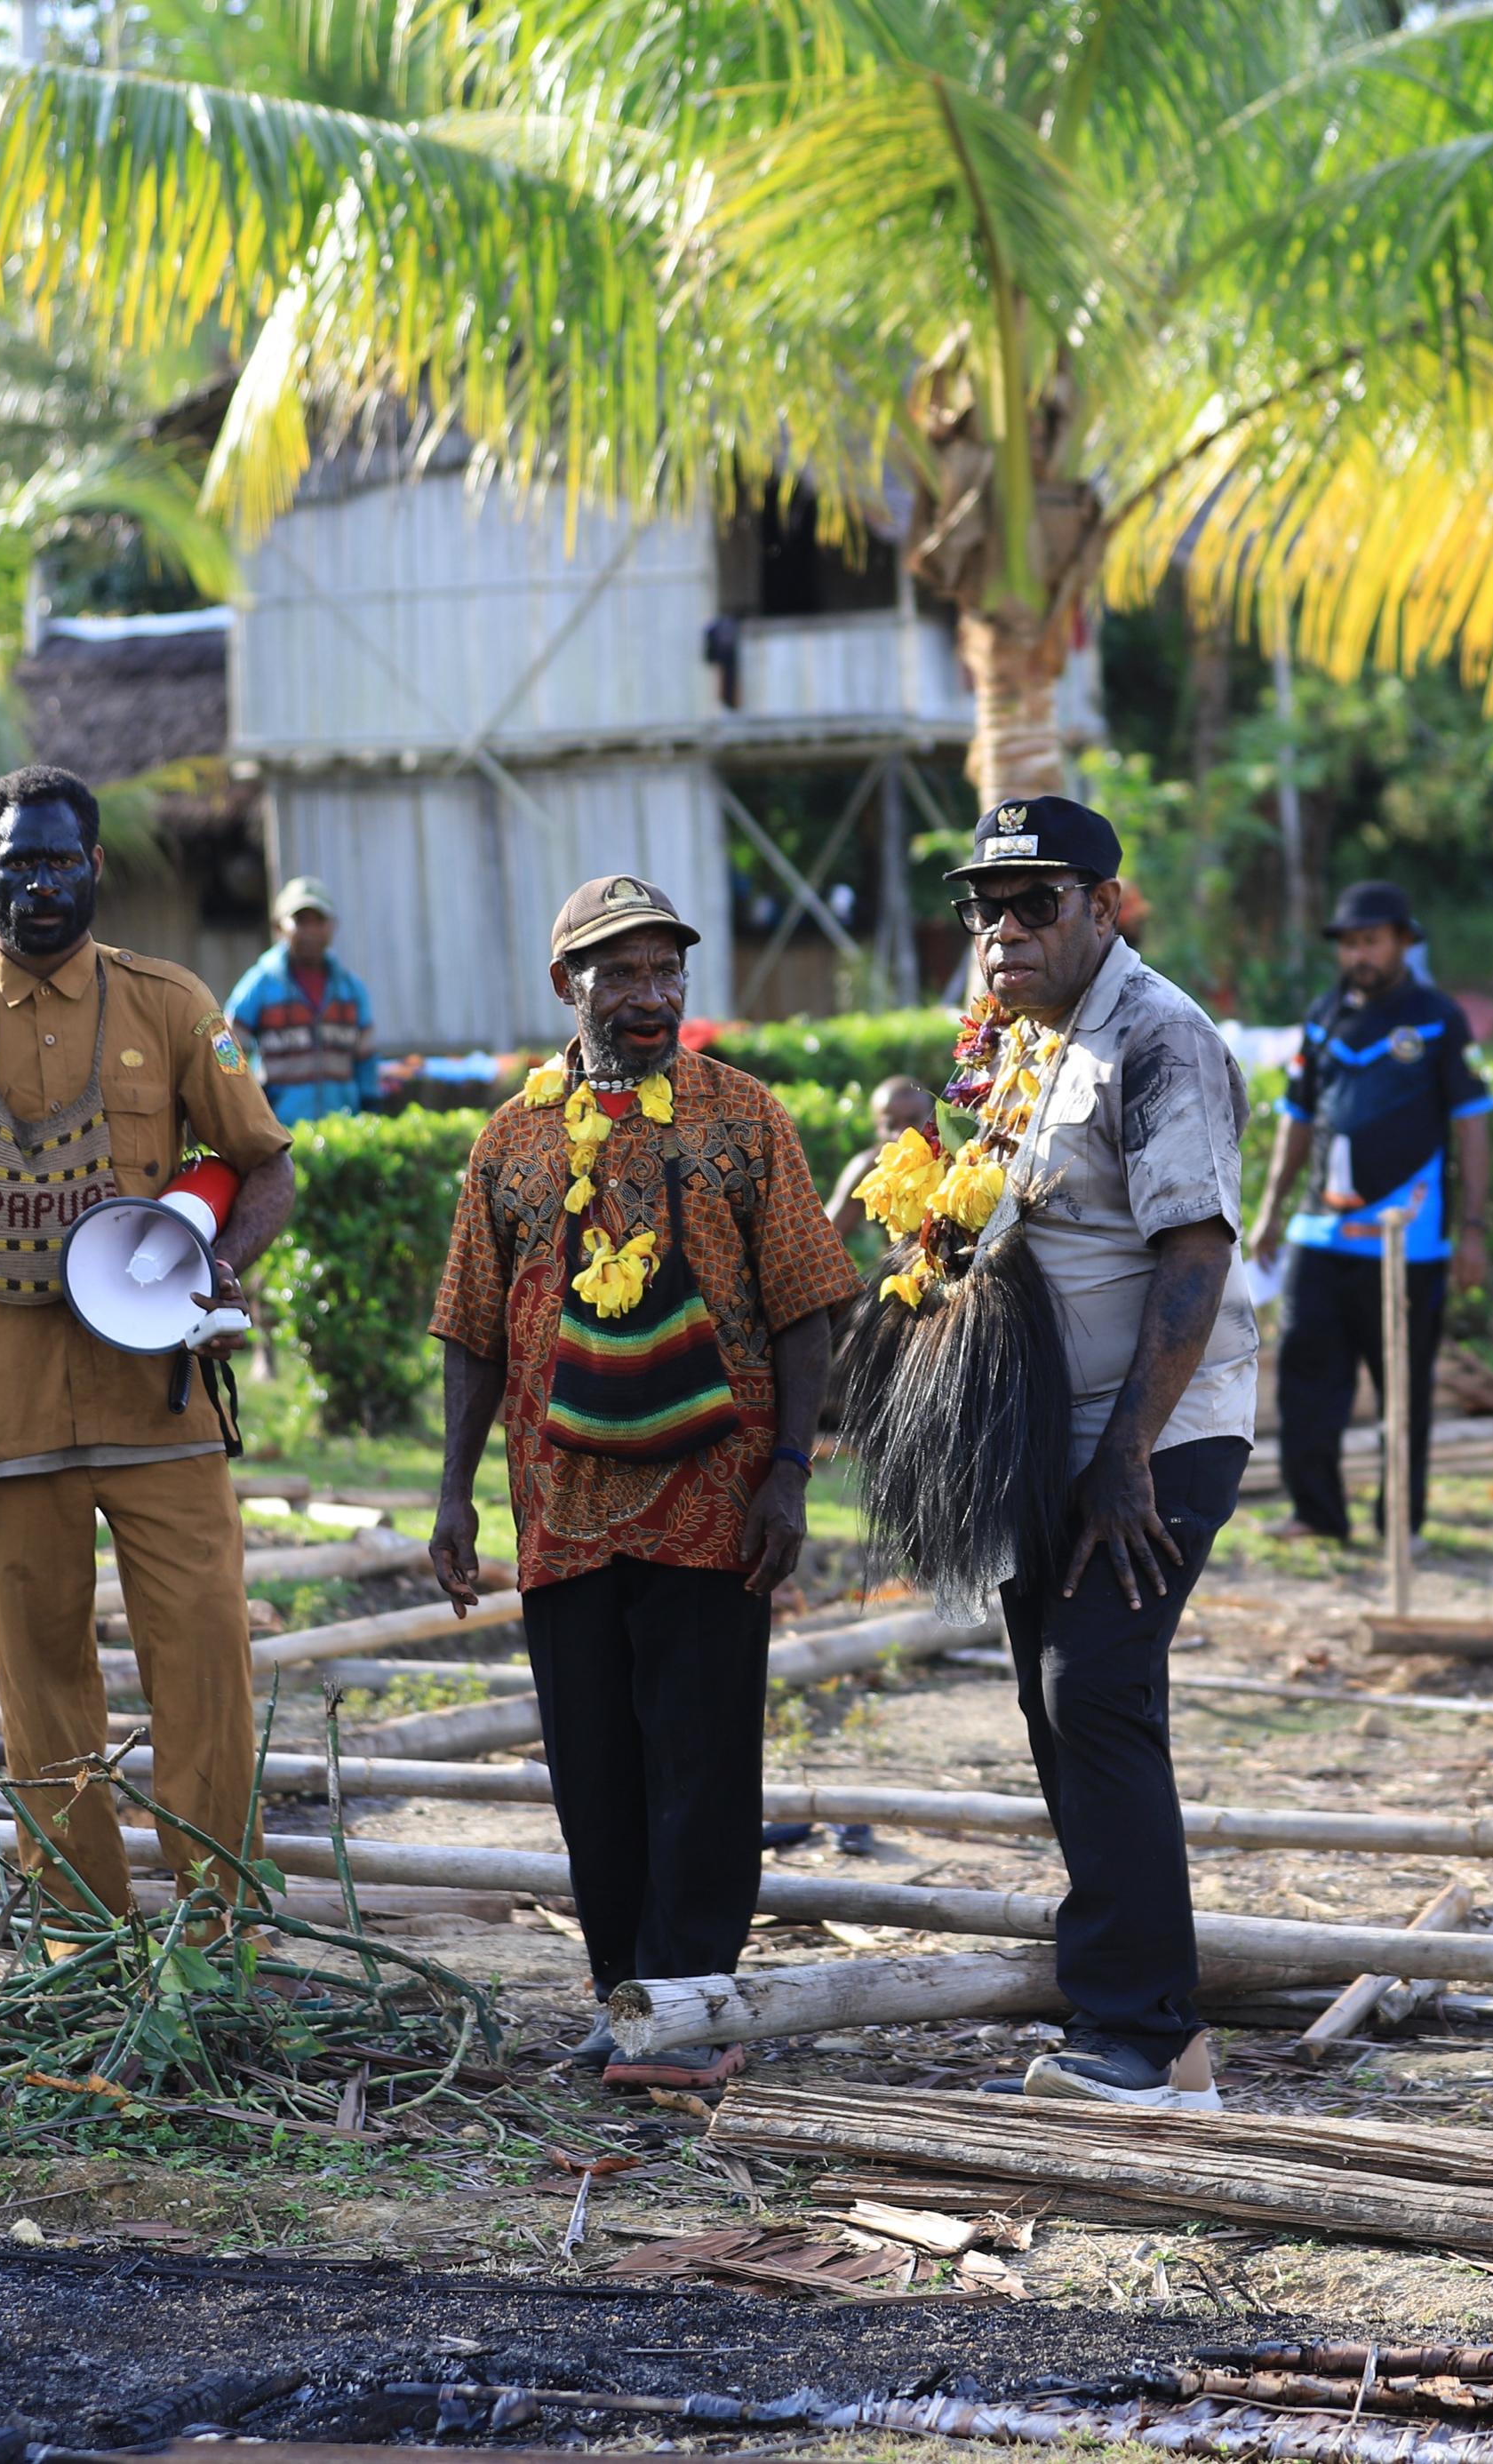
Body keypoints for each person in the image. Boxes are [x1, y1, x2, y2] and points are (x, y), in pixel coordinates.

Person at [427, 874, 856, 2091]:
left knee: (705, 1757)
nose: (650, 994)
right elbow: (470, 1331)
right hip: (560, 1513)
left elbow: (811, 1305)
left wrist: (789, 1476)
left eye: (667, 970)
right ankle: (629, 1998)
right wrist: (454, 1494)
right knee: (595, 1773)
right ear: (569, 987)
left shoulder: (742, 1116)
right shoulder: (510, 1136)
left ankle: (690, 2002)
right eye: (620, 973)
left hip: (719, 1503)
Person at [0, 764, 296, 1913]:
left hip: (161, 1412)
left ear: (94, 868)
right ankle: (82, 1946)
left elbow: (266, 1161)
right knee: (42, 1698)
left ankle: (220, 1934)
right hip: (5, 1424)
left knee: (205, 1671)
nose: (39, 883)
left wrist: (221, 1257)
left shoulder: (172, 1004)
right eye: (19, 861)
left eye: (60, 860)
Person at [950, 793, 1257, 2109]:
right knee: (1050, 1704)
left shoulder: (1158, 1037)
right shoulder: (1023, 1042)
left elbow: (1194, 1250)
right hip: (1045, 1438)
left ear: (1103, 908)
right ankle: (1154, 2035)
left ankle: (1136, 2032)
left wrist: (1128, 1451)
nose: (1006, 930)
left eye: (1038, 903)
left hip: (1154, 1435)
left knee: (1097, 1692)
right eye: (987, 906)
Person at [1247, 880, 1493, 1546]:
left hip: (1405, 1244)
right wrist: (1270, 1212)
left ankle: (1399, 1526)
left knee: (1403, 1392)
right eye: (1350, 942)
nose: (1359, 953)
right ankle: (1317, 1513)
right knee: (1304, 1380)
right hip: (1318, 1235)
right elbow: (1298, 1120)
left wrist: (1473, 1229)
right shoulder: (1325, 1016)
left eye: (1372, 940)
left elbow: (1471, 1125)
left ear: (1404, 942)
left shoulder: (1440, 1017)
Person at [226, 876, 375, 1124]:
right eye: (301, 921)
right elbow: (225, 1047)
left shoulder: (351, 989)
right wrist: (243, 1105)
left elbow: (366, 1059)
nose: (311, 931)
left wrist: (371, 1109)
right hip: (279, 1133)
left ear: (333, 926)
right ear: (279, 926)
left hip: (344, 1131)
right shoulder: (260, 985)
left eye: (319, 921)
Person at [825, 1075, 938, 1241]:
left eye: (912, 1120)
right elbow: (822, 1240)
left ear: (934, 1119)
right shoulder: (868, 1169)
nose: (902, 1134)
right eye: (891, 1125)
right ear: (877, 1127)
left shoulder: (955, 1160)